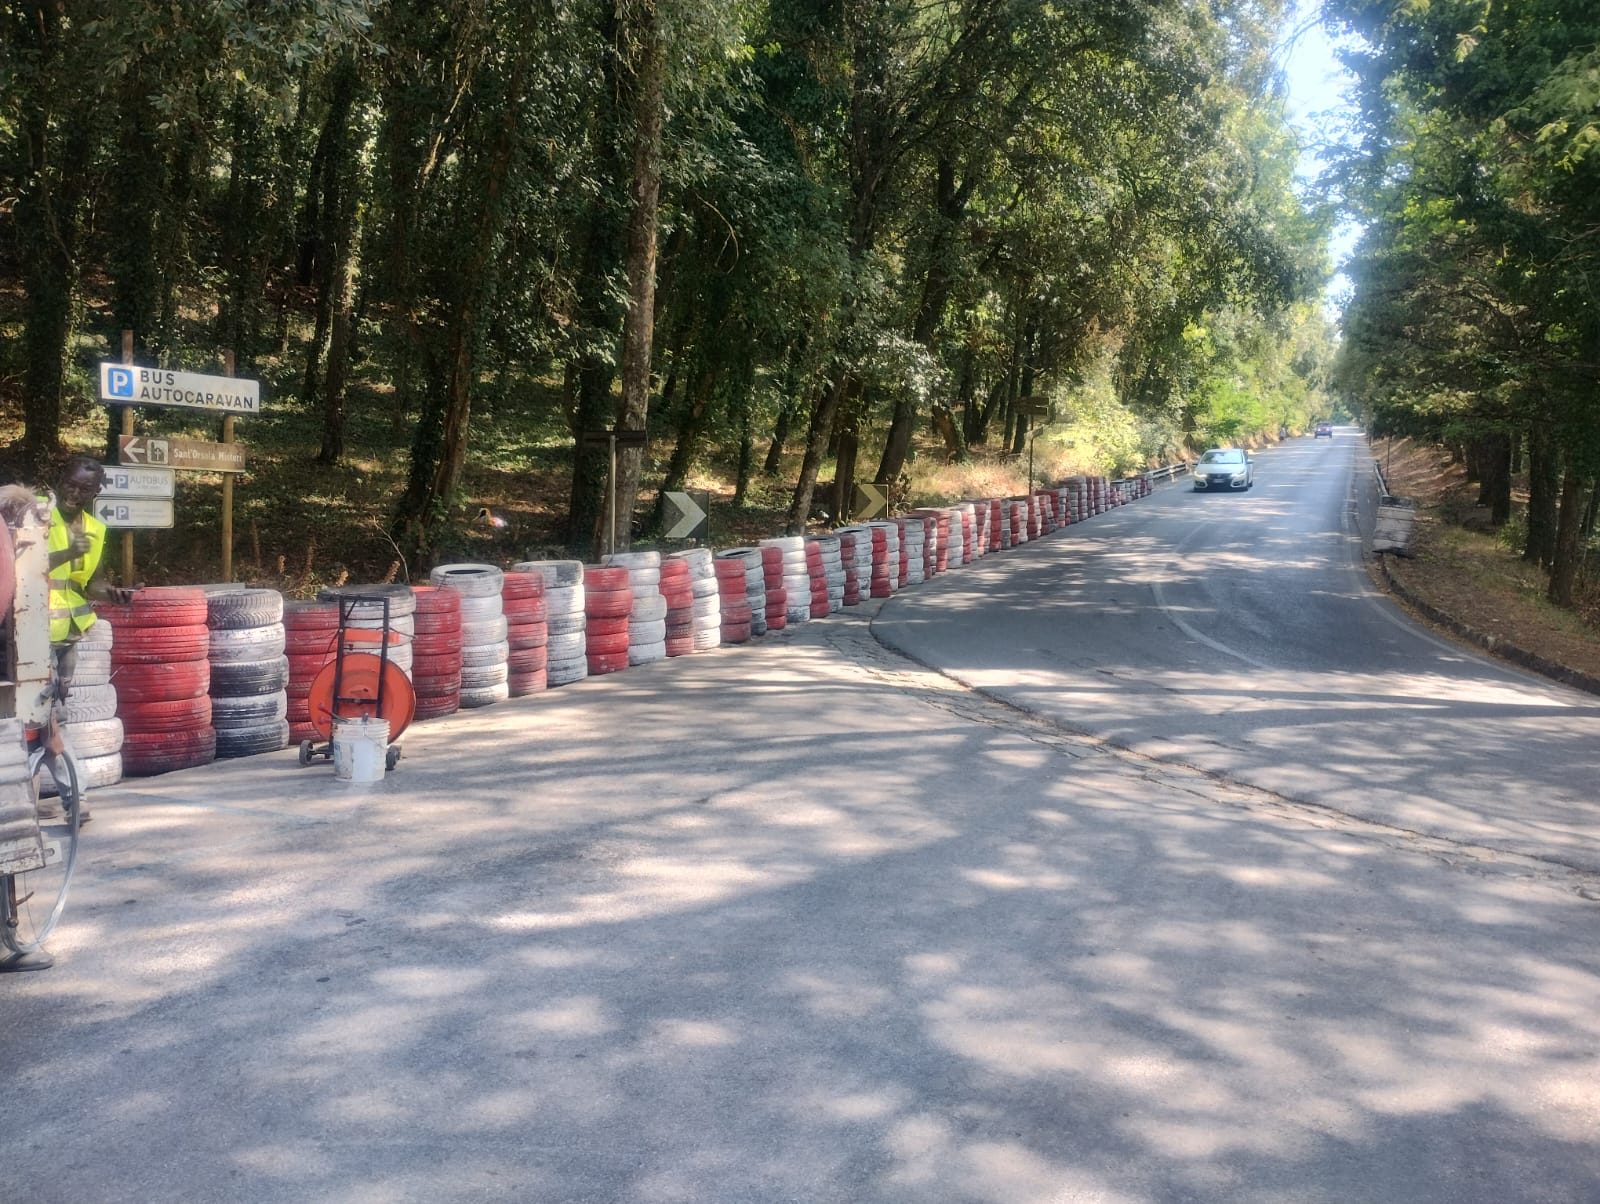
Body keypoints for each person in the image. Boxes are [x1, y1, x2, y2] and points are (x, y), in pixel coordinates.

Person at [46, 456, 132, 699]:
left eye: (84, 489)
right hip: (31, 627)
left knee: (59, 704)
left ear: (96, 492)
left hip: (69, 632)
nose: (74, 493)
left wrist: (113, 594)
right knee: (38, 709)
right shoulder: (35, 512)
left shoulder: (95, 529)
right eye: (70, 485)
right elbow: (17, 566)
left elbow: (94, 583)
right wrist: (67, 554)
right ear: (59, 481)